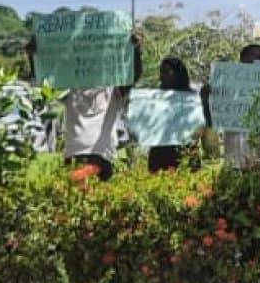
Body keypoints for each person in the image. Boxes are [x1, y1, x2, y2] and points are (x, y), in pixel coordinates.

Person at [29, 30, 143, 182]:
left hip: (102, 157)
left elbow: (132, 77)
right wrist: (34, 55)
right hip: (74, 156)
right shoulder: (70, 89)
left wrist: (135, 51)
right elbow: (44, 82)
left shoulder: (112, 89)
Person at [147, 56, 197, 173]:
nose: (162, 76)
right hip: (160, 151)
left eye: (167, 71)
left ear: (178, 73)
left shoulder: (191, 98)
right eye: (161, 72)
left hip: (184, 149)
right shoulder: (156, 97)